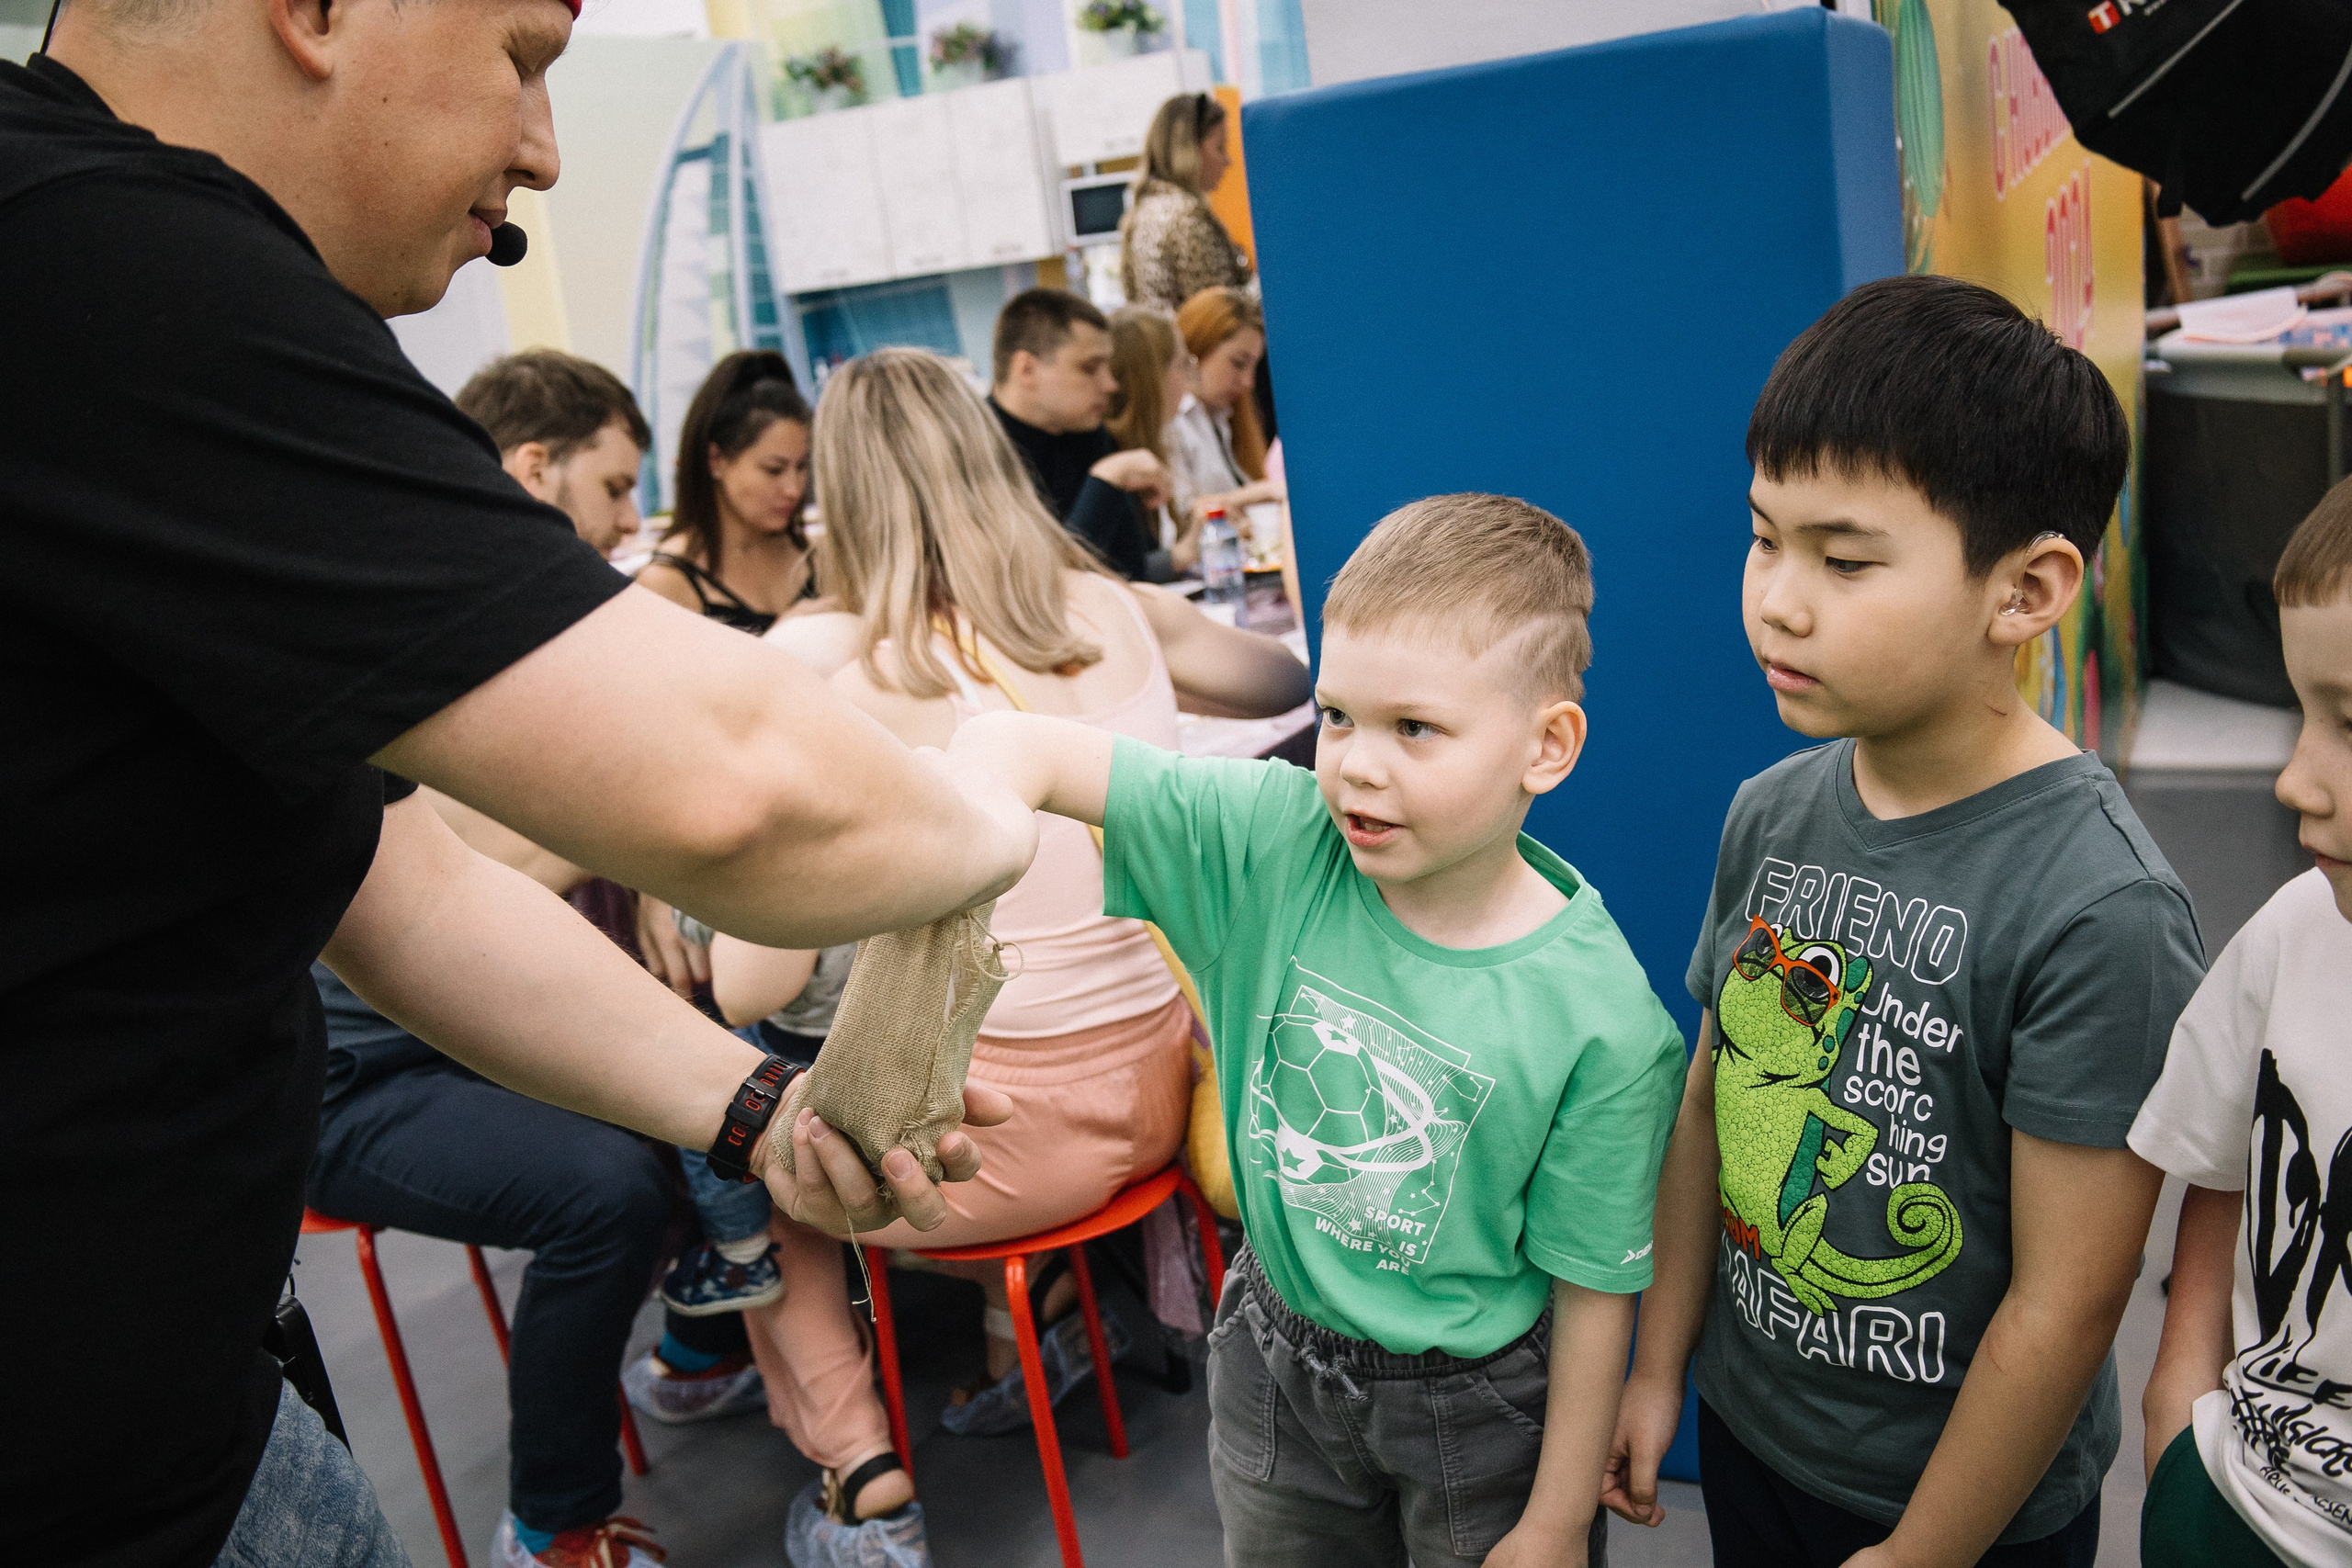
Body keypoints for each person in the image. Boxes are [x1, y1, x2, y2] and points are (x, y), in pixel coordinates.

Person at [1, 6, 1035, 1564]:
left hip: (195, 1417)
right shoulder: (97, 257)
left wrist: (753, 1107)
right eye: (523, 51)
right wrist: (1010, 796)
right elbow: (737, 787)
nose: (544, 146)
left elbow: (400, 888)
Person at [946, 493, 1687, 1567]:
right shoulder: (1272, 843)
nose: (1356, 764)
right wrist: (973, 819)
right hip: (1272, 1361)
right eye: (1338, 716)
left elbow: (1592, 1291)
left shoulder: (1605, 1022)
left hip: (1480, 1408)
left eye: (1415, 728)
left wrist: (1556, 1520)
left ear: (1546, 746)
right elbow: (1022, 746)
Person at [1602, 275, 2208, 1568]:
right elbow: (1709, 1104)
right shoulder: (1770, 811)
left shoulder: (2100, 908)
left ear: (2028, 589)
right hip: (1758, 1436)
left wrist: (1925, 1547)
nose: (1777, 597)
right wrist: (1663, 1369)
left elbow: (2068, 1297)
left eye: (1846, 557)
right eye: (1764, 537)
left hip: (1965, 1509)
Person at [744, 346, 1312, 1567]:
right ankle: (1041, 1321)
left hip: (1001, 1153)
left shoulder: (848, 676)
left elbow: (752, 979)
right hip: (1170, 1093)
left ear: (836, 500)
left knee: (746, 1140)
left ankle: (865, 1476)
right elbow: (1286, 679)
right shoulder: (1111, 605)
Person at [2131, 483, 2352, 1568]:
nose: (2293, 777)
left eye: (2351, 724)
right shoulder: (2290, 931)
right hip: (2238, 1498)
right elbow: (2221, 1157)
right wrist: (2180, 1385)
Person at [988, 286, 1176, 582]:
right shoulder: (977, 452)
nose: (1110, 384)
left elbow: (1129, 571)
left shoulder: (1086, 431)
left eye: (1108, 367)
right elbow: (1048, 585)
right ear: (1026, 370)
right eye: (1090, 368)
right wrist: (1105, 482)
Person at [639, 349, 816, 634]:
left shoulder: (816, 557)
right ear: (715, 460)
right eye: (773, 469)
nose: (793, 489)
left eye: (802, 467)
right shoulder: (668, 582)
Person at [1119, 92, 1254, 315]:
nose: (1227, 160)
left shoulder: (1147, 210)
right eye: (1219, 147)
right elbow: (1223, 316)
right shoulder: (1187, 219)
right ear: (1189, 150)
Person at [1170, 287, 1283, 532]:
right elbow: (1183, 513)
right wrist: (1265, 492)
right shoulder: (1173, 421)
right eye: (1238, 363)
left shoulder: (1222, 418)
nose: (1248, 382)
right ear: (1197, 347)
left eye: (1253, 366)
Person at [1106, 304, 1206, 576]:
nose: (1188, 379)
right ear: (1151, 378)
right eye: (1182, 364)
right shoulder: (1110, 457)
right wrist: (1182, 554)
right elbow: (1115, 573)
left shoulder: (1149, 441)